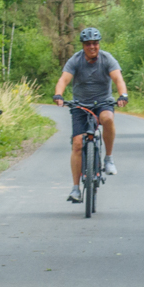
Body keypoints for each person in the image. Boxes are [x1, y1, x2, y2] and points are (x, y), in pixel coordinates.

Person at [53, 27, 128, 203]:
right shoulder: (76, 60)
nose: (92, 47)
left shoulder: (107, 59)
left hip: (103, 103)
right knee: (77, 144)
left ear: (99, 44)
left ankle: (108, 159)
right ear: (83, 45)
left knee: (107, 118)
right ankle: (75, 188)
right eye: (88, 44)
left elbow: (118, 79)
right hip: (80, 105)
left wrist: (123, 95)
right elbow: (64, 79)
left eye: (95, 43)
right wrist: (58, 95)